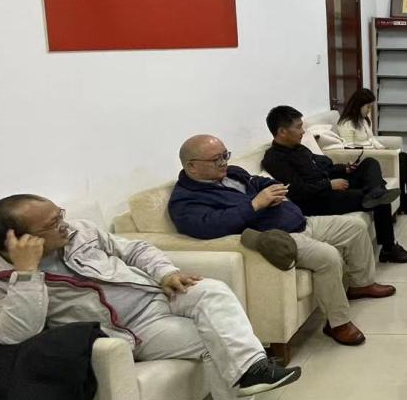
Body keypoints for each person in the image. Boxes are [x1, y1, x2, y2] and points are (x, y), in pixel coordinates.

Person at [0, 196, 303, 400]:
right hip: (130, 332)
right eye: (51, 223)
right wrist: (27, 274)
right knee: (214, 341)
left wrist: (166, 272)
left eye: (59, 214)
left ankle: (252, 368)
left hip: (158, 294)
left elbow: (135, 250)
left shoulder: (79, 232)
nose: (64, 224)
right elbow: (14, 334)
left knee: (212, 289)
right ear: (19, 241)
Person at [169, 134, 395, 347]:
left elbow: (258, 182)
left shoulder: (232, 173)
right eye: (216, 159)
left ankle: (361, 284)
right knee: (328, 256)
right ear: (191, 166)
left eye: (225, 155)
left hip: (301, 221)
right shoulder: (185, 200)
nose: (223, 163)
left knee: (355, 227)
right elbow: (208, 227)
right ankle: (337, 323)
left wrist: (274, 191)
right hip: (279, 236)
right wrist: (255, 205)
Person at [261, 105, 407, 263]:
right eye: (298, 127)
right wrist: (329, 185)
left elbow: (323, 167)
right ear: (282, 131)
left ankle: (375, 190)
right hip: (317, 199)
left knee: (370, 163)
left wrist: (344, 169)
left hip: (328, 185)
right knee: (381, 198)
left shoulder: (298, 147)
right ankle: (389, 248)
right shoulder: (275, 159)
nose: (303, 131)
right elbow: (298, 191)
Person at [336, 89, 407, 215]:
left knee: (405, 157)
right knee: (401, 159)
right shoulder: (346, 124)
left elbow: (371, 139)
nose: (369, 110)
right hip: (365, 159)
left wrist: (382, 148)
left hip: (375, 153)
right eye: (368, 107)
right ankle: (404, 202)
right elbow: (349, 149)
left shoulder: (363, 120)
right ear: (358, 105)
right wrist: (375, 151)